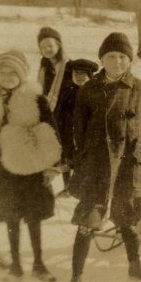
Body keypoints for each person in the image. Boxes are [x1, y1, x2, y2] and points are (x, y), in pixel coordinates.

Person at [68, 33, 141, 282]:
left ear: (130, 60)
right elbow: (78, 126)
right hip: (96, 165)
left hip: (128, 164)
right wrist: (82, 157)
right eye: (111, 56)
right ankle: (76, 276)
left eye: (123, 57)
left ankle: (135, 266)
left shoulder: (140, 88)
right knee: (88, 219)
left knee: (127, 218)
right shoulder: (89, 89)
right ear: (102, 59)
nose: (117, 61)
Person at [0, 50, 61, 282]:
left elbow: (51, 132)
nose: (7, 76)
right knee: (10, 217)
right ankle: (16, 265)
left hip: (31, 168)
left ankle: (39, 264)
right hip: (1, 171)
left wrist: (50, 166)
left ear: (22, 75)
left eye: (13, 72)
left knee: (33, 216)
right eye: (3, 71)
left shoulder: (35, 99)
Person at [53, 59, 98, 197]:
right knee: (67, 159)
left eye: (82, 74)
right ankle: (67, 187)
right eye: (76, 74)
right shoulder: (67, 92)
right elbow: (59, 113)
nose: (79, 77)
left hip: (85, 134)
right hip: (67, 133)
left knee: (83, 161)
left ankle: (82, 188)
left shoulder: (94, 93)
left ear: (90, 76)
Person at [36, 27, 72, 112]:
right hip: (46, 110)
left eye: (50, 46)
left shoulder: (69, 65)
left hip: (64, 111)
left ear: (58, 45)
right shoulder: (44, 67)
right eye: (43, 47)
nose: (47, 49)